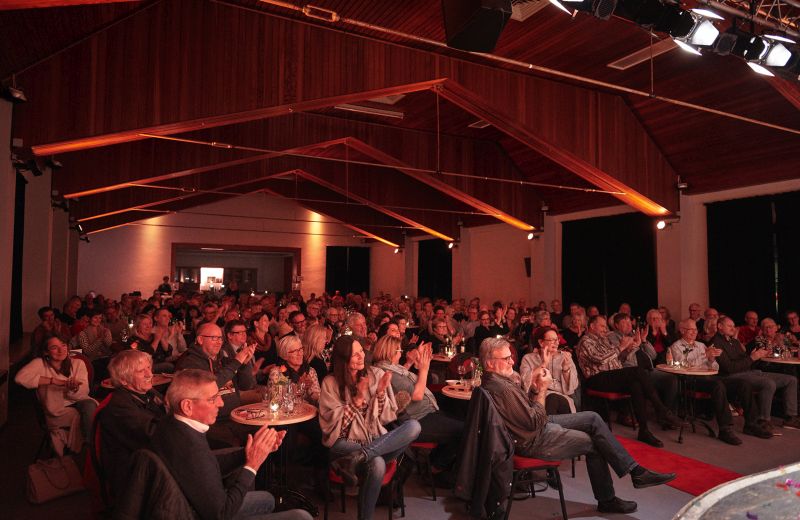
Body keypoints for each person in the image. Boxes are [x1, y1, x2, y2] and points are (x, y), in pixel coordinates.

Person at [479, 337, 676, 514]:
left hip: (531, 428)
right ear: (489, 363)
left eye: (510, 357)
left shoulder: (493, 382)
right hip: (532, 438)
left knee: (592, 418)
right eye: (506, 359)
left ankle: (635, 472)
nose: (511, 362)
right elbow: (534, 422)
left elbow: (528, 411)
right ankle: (611, 496)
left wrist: (534, 388)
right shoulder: (502, 388)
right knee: (596, 444)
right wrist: (543, 390)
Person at [151, 369, 312, 520]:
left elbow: (208, 465)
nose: (221, 403)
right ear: (187, 406)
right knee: (301, 517)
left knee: (267, 499)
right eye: (213, 398)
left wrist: (249, 452)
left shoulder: (171, 425)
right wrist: (252, 465)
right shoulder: (191, 449)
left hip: (199, 505)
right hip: (207, 513)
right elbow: (222, 513)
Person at [318, 336, 420, 520]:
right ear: (342, 359)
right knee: (378, 462)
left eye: (361, 352)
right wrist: (357, 400)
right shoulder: (330, 383)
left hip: (373, 440)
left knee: (414, 426)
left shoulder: (375, 374)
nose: (361, 357)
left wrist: (380, 393)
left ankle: (358, 458)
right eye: (354, 354)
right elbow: (333, 429)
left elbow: (384, 418)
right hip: (344, 444)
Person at [576, 316, 680, 447]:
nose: (605, 329)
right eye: (602, 326)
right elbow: (600, 360)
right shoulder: (585, 341)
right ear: (591, 326)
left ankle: (644, 431)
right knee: (637, 371)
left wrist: (628, 350)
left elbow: (617, 359)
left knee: (635, 384)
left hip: (611, 375)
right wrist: (621, 347)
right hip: (596, 378)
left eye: (605, 326)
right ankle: (662, 410)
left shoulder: (603, 340)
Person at [372, 335, 463, 473]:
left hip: (424, 413)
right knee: (465, 430)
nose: (401, 353)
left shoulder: (391, 368)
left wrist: (411, 361)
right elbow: (417, 395)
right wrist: (424, 369)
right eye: (399, 351)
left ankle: (432, 462)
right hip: (417, 420)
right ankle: (436, 467)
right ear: (391, 352)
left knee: (458, 414)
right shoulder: (388, 373)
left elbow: (403, 377)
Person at [175, 322, 258, 447]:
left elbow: (246, 385)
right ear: (200, 339)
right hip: (212, 423)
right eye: (214, 338)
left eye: (220, 338)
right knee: (238, 444)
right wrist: (237, 362)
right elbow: (211, 386)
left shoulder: (223, 361)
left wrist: (245, 364)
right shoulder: (190, 363)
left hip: (236, 417)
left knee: (264, 432)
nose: (219, 342)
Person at [712, 316, 800, 432]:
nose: (733, 328)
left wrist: (754, 356)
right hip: (731, 377)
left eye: (734, 326)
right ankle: (763, 420)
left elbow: (746, 361)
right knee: (768, 383)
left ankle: (790, 417)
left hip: (750, 372)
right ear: (720, 326)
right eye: (730, 326)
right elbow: (729, 368)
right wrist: (752, 358)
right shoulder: (716, 343)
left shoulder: (734, 341)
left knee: (791, 379)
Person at [100, 350, 167, 497]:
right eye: (141, 371)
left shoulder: (148, 393)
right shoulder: (119, 406)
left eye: (149, 368)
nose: (149, 374)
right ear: (124, 380)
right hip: (134, 477)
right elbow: (154, 435)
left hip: (154, 458)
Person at [15, 335, 97, 456]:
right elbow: (20, 378)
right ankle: (89, 452)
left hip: (78, 402)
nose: (61, 350)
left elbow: (84, 392)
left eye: (63, 345)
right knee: (89, 416)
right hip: (56, 411)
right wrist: (53, 381)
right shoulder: (40, 364)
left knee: (90, 406)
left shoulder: (78, 363)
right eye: (54, 347)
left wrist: (73, 388)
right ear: (46, 352)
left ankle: (91, 449)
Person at [667, 319, 742, 445]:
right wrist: (704, 356)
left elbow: (715, 368)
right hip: (690, 380)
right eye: (691, 329)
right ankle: (725, 429)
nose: (694, 332)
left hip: (707, 377)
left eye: (696, 329)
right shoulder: (676, 346)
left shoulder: (701, 345)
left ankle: (748, 421)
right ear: (682, 330)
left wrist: (712, 359)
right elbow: (683, 366)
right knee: (718, 385)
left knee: (737, 383)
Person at [520, 327, 579, 414]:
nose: (557, 343)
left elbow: (573, 387)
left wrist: (566, 369)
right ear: (541, 342)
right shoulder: (528, 358)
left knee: (553, 398)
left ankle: (544, 424)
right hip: (538, 398)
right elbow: (525, 383)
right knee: (550, 399)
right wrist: (544, 363)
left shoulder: (565, 357)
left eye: (557, 339)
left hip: (562, 398)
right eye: (552, 340)